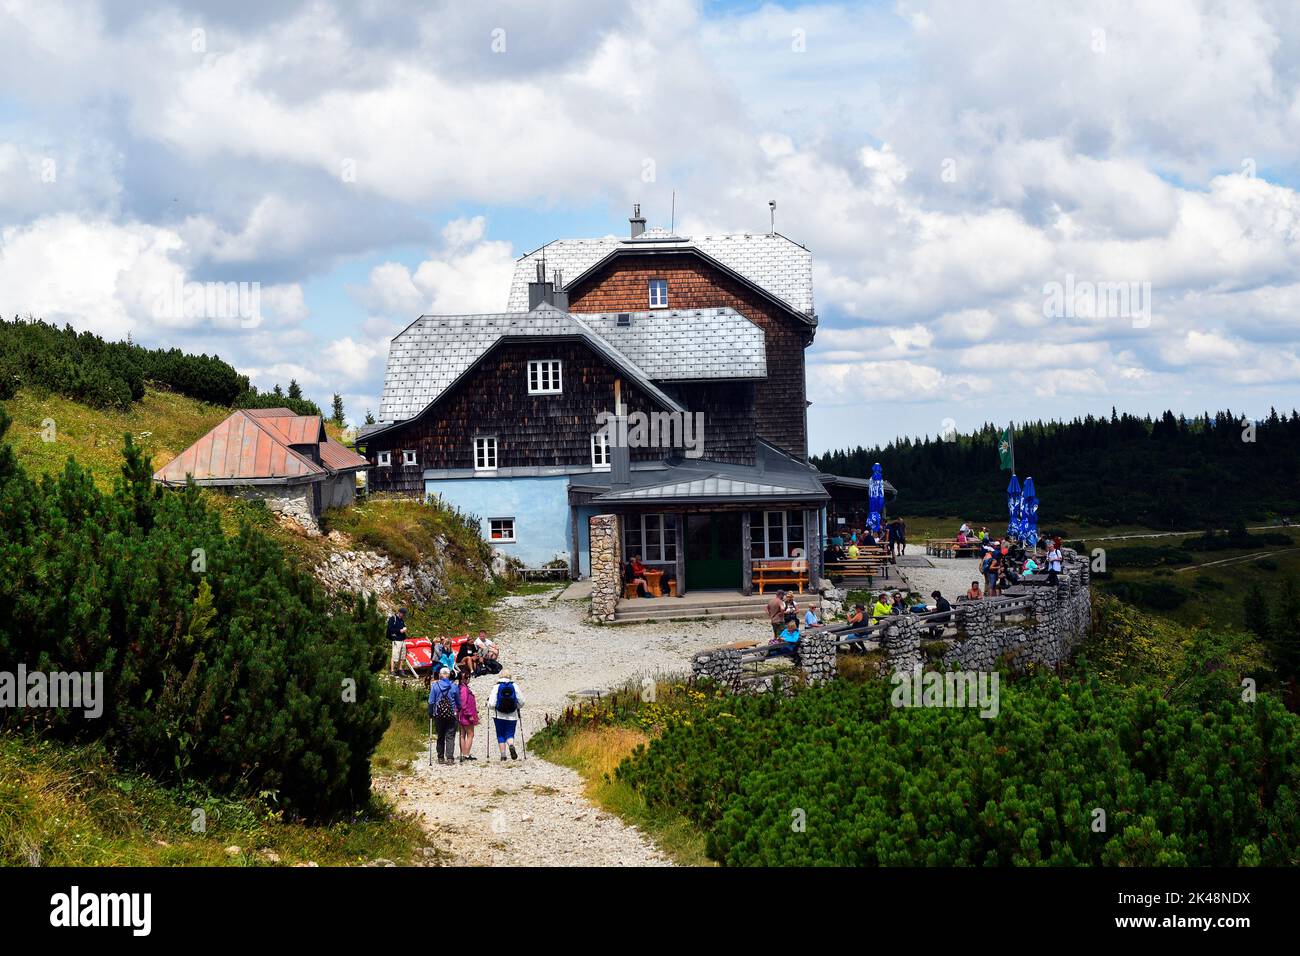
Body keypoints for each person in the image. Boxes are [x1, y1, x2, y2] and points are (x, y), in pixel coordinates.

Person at [428, 667, 459, 766]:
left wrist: (430, 712)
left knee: (440, 736)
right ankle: (450, 758)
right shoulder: (454, 686)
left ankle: (440, 757)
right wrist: (459, 709)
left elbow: (431, 701)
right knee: (450, 736)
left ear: (440, 675)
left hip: (438, 714)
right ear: (449, 675)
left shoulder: (435, 686)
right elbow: (458, 702)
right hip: (451, 714)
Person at [488, 674, 524, 761]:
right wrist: (517, 707)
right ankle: (511, 745)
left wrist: (489, 706)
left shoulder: (497, 686)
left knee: (500, 734)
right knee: (510, 733)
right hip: (512, 715)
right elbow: (522, 701)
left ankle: (503, 756)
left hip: (498, 715)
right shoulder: (514, 686)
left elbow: (492, 703)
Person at [457, 671, 479, 762]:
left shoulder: (459, 687)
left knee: (462, 734)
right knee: (470, 734)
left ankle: (463, 753)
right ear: (463, 679)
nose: (468, 679)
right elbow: (463, 703)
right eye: (467, 677)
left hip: (461, 714)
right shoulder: (464, 689)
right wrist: (469, 715)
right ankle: (466, 754)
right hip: (466, 715)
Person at [386, 607, 408, 674]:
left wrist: (404, 629)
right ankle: (392, 670)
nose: (404, 615)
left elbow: (403, 627)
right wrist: (399, 631)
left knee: (402, 655)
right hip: (396, 639)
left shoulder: (402, 620)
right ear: (399, 612)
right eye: (403, 614)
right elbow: (390, 629)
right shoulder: (393, 619)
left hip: (403, 639)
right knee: (395, 655)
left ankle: (400, 669)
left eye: (404, 614)